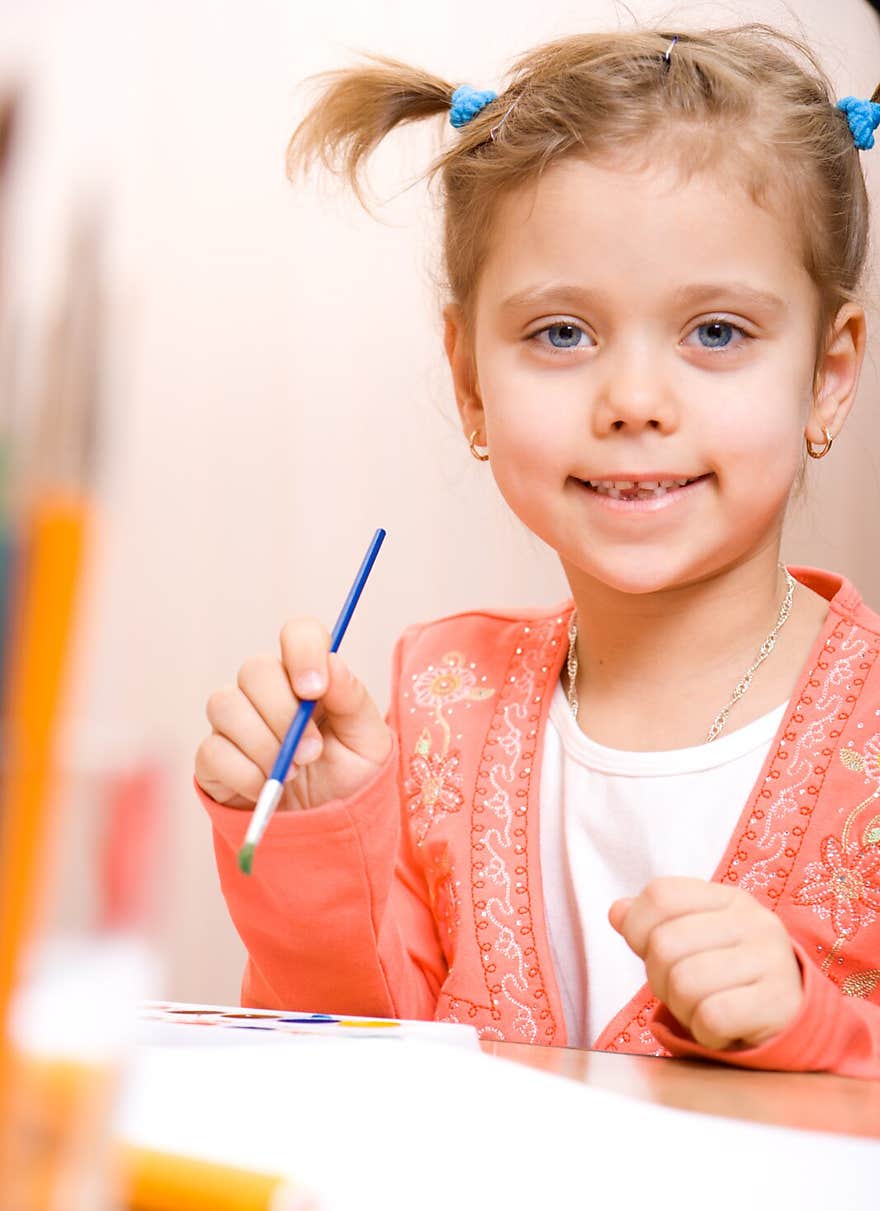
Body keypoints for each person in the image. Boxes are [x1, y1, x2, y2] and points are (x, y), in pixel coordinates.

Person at [194, 24, 880, 1079]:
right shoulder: (441, 703)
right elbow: (362, 1070)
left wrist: (812, 1026)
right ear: (470, 380)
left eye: (716, 333)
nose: (635, 403)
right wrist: (321, 839)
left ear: (827, 376)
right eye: (562, 333)